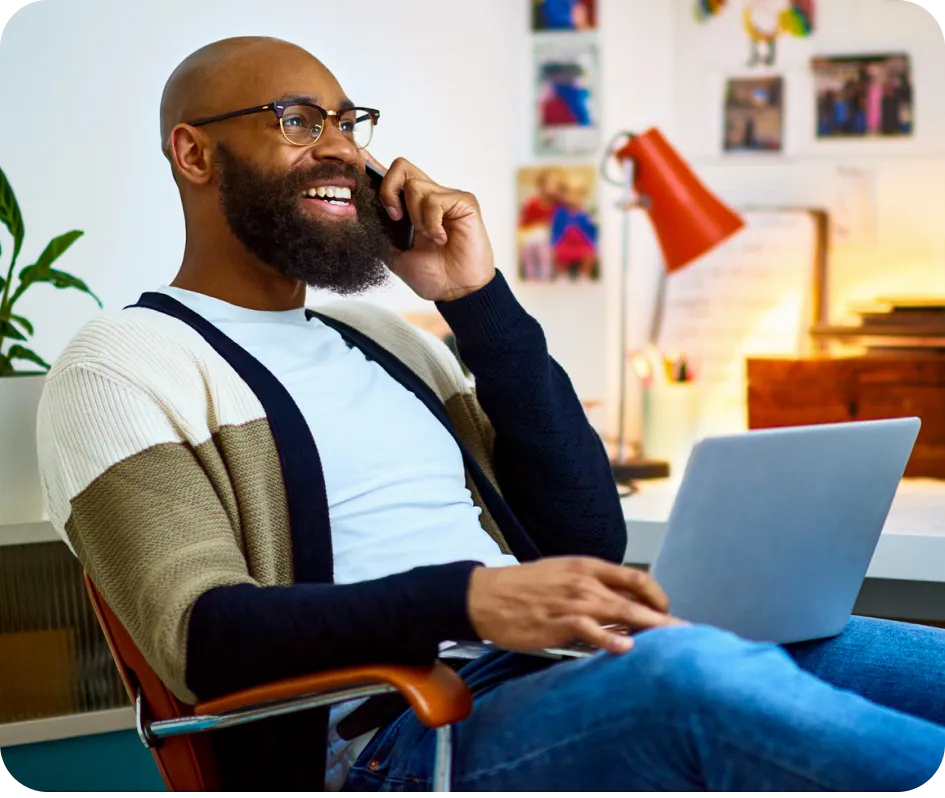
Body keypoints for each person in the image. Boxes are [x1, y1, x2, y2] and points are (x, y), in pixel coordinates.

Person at [36, 36, 945, 793]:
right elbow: (205, 639)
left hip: (552, 674)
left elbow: (582, 531)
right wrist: (471, 599)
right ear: (194, 154)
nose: (341, 150)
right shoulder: (123, 363)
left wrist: (475, 298)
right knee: (694, 675)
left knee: (905, 658)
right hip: (396, 735)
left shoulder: (383, 336)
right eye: (295, 121)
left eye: (349, 124)